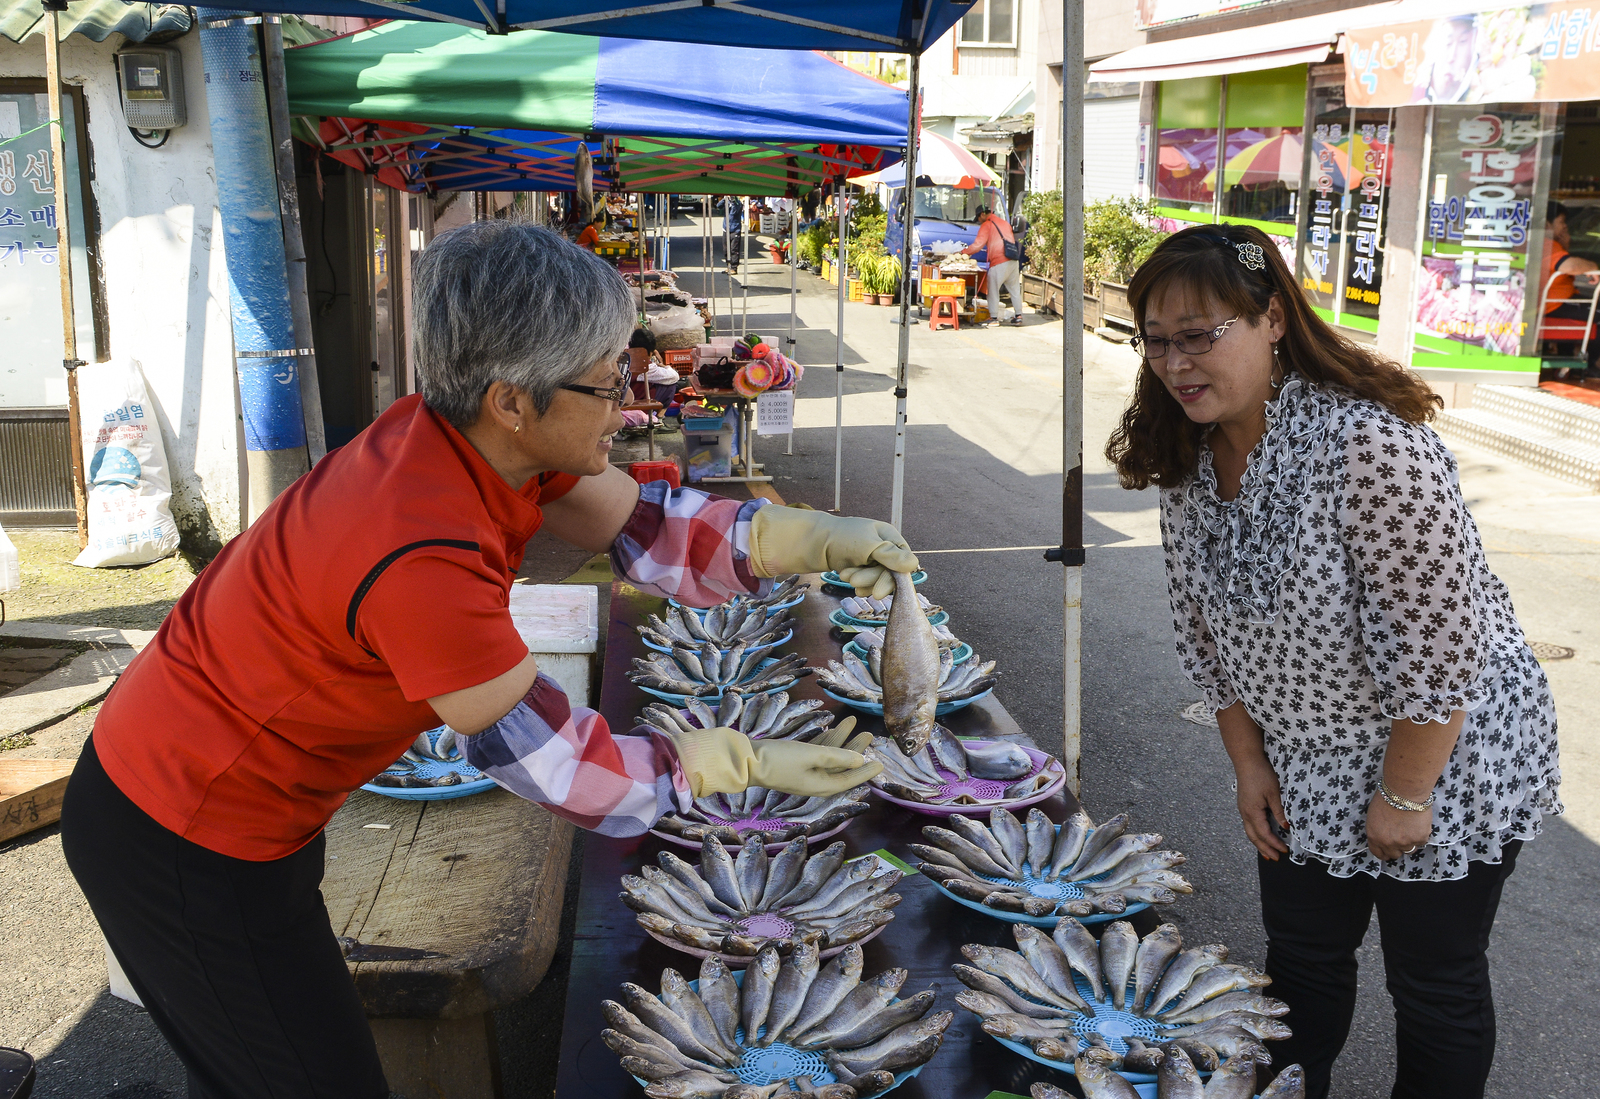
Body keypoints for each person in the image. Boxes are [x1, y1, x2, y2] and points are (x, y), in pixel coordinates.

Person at [59, 221, 920, 1099]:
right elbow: (557, 765)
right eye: (607, 382)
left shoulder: (477, 440)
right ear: (512, 399)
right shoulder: (419, 549)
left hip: (253, 807)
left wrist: (805, 538)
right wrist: (733, 762)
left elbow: (648, 527)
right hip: (182, 829)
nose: (628, 405)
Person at [1106, 224, 1560, 1099]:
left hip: (1440, 749)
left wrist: (1405, 795)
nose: (1175, 363)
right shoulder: (1185, 452)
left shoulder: (1368, 445)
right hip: (1304, 753)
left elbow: (1440, 648)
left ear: (1272, 319)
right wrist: (1249, 764)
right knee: (1301, 964)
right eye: (1156, 341)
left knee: (1432, 981)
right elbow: (1205, 638)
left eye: (1199, 335)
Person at [1540, 201, 1600, 375]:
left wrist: (1565, 244)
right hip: (1553, 305)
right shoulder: (1545, 244)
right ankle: (1586, 366)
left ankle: (1566, 363)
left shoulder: (1550, 244)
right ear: (1547, 224)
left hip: (1558, 301)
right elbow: (1569, 266)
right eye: (1561, 222)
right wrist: (1592, 266)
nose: (1565, 226)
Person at [962, 203, 1025, 326]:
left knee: (992, 290)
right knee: (1014, 290)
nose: (979, 222)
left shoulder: (987, 225)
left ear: (982, 214)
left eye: (979, 218)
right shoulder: (1004, 223)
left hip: (999, 261)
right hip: (1013, 260)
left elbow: (977, 245)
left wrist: (963, 252)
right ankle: (1018, 316)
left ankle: (994, 318)